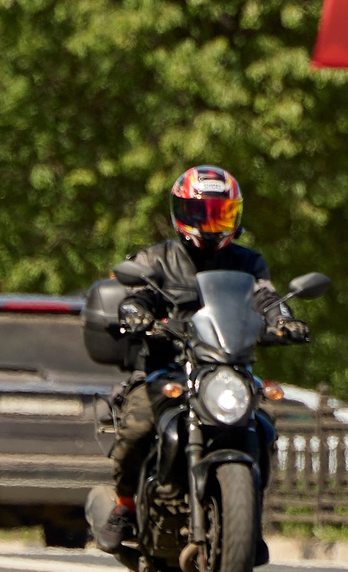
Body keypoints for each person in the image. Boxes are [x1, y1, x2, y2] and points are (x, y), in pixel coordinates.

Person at [94, 166, 307, 551]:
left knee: (261, 428)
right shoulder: (156, 258)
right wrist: (135, 311)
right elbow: (138, 293)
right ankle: (124, 506)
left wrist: (283, 321)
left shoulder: (247, 262)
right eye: (201, 213)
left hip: (225, 366)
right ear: (181, 213)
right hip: (167, 366)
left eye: (220, 214)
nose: (211, 224)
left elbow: (266, 298)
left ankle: (245, 520)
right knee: (139, 426)